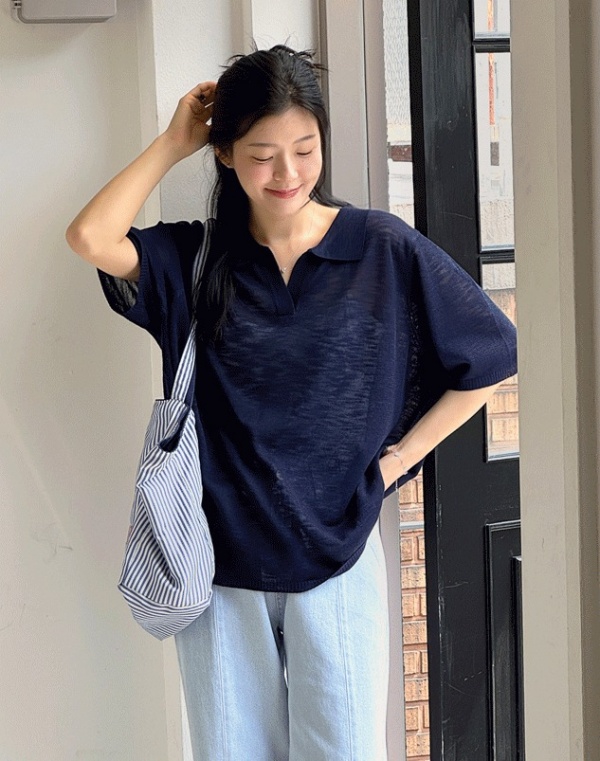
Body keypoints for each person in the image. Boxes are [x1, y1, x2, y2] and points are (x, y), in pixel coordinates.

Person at [66, 44, 517, 761]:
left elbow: (491, 354)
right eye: (262, 155)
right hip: (219, 569)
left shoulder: (379, 248)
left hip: (338, 559)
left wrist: (398, 458)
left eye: (305, 150)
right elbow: (91, 236)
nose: (288, 174)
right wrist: (175, 141)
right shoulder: (196, 261)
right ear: (224, 155)